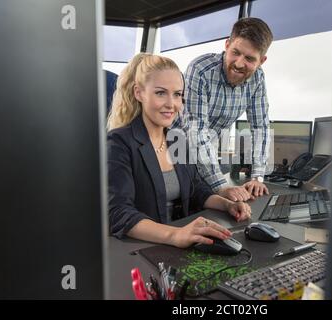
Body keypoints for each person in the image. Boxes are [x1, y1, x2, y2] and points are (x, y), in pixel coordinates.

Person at [107, 53, 251, 248]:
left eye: (177, 95)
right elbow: (119, 213)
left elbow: (196, 190)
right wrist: (175, 235)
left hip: (181, 242)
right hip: (143, 247)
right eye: (160, 93)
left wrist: (227, 205)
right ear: (138, 93)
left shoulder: (176, 139)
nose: (171, 104)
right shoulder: (118, 142)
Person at [173, 17, 274, 202]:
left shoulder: (257, 78)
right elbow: (196, 131)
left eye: (250, 59)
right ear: (227, 45)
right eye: (235, 52)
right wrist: (221, 186)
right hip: (175, 151)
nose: (239, 63)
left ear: (262, 61)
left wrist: (257, 176)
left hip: (206, 155)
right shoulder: (201, 70)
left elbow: (261, 127)